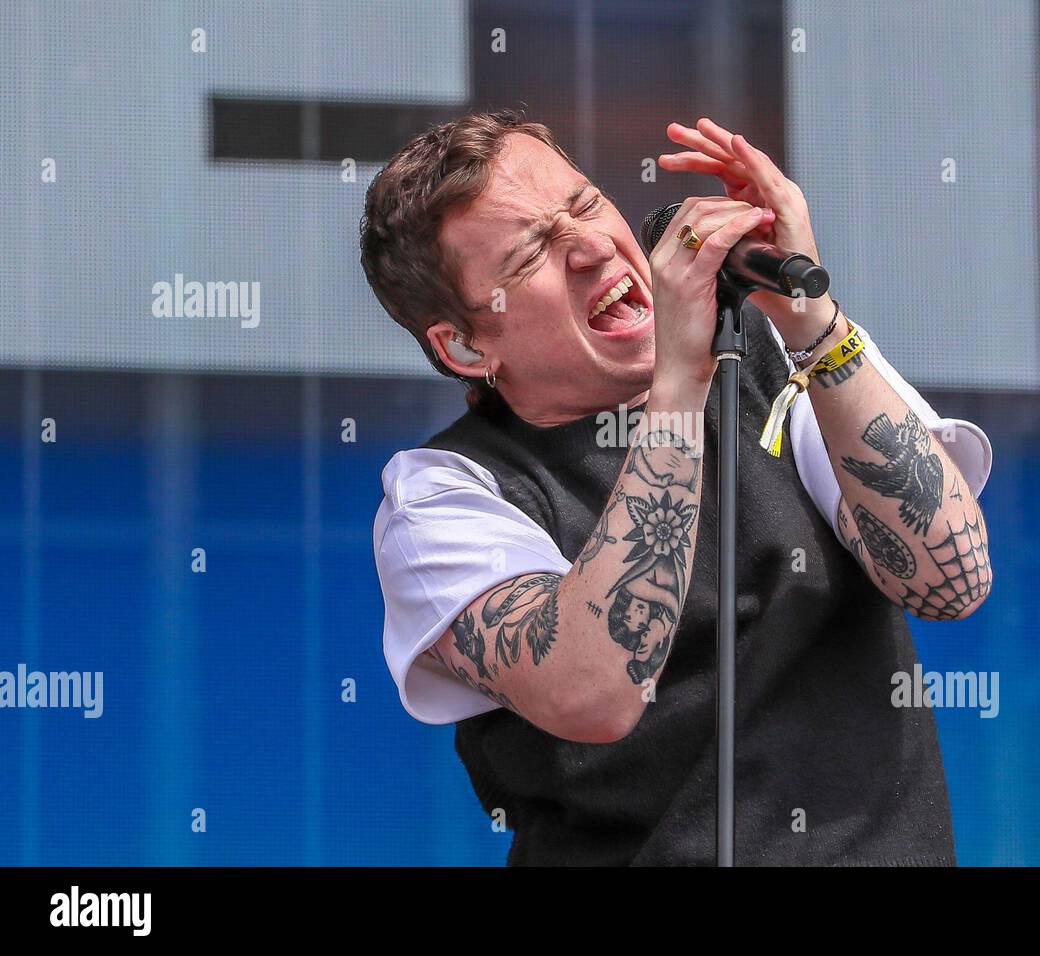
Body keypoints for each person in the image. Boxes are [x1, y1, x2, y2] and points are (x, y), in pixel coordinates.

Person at [361, 109, 994, 865]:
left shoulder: (783, 366)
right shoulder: (444, 495)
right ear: (464, 344)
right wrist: (677, 390)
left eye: (586, 204)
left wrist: (814, 324)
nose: (594, 246)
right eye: (533, 249)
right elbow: (595, 691)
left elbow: (949, 578)